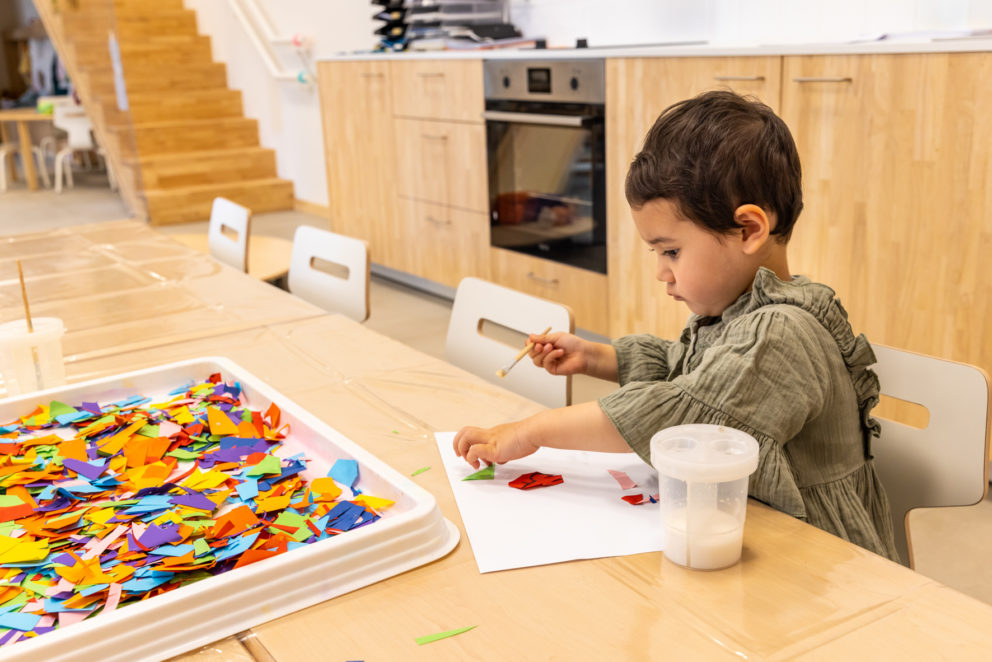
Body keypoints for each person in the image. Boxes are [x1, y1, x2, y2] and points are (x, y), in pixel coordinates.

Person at [454, 90, 900, 562]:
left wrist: (529, 432)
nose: (662, 272)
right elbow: (684, 369)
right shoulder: (743, 308)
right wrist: (595, 357)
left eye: (671, 251)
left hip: (826, 564)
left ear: (748, 230)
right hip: (765, 535)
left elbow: (681, 412)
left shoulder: (779, 332)